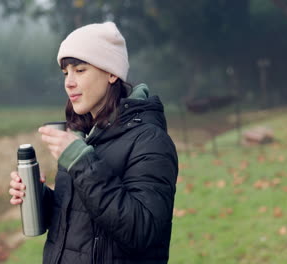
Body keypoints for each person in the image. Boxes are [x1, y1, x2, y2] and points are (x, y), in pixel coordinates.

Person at [9, 21, 178, 264]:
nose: (69, 82)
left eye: (80, 70)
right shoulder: (83, 135)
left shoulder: (150, 140)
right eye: (66, 73)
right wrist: (39, 197)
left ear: (111, 73)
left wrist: (81, 162)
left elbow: (142, 231)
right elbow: (79, 220)